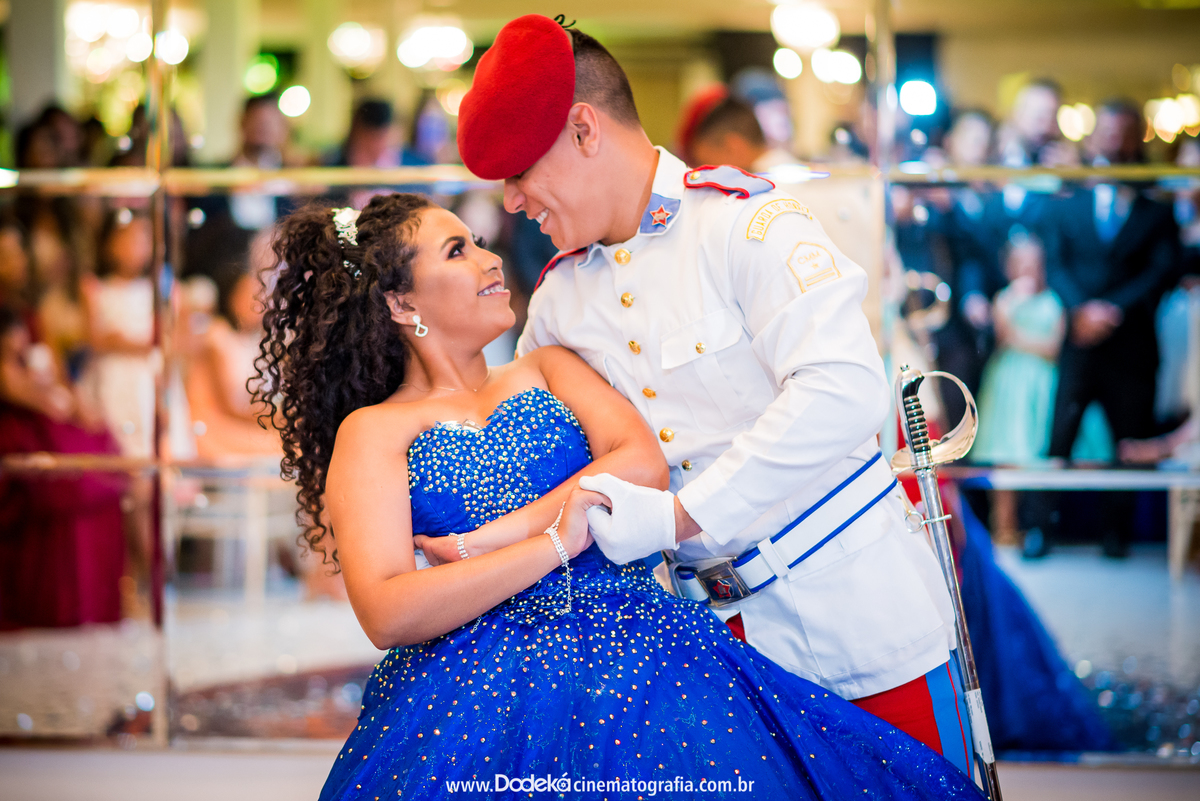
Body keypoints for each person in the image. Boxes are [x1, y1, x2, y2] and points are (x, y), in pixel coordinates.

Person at [254, 193, 983, 800]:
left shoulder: (547, 365)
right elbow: (387, 609)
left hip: (645, 650)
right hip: (472, 691)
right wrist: (557, 540)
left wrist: (492, 540)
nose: (489, 258)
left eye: (477, 242)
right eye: (457, 251)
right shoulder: (372, 433)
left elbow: (641, 463)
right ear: (399, 301)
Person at [456, 14, 974, 775]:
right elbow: (535, 452)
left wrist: (681, 515)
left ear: (584, 130)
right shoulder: (560, 302)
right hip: (709, 661)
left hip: (861, 622)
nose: (509, 201)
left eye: (519, 171)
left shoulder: (747, 225)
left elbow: (844, 389)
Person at [1034, 101, 1181, 558]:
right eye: (1109, 131)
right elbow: (1055, 263)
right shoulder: (1068, 202)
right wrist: (1080, 310)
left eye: (1124, 132)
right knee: (1059, 437)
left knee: (1128, 439)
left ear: (1137, 138)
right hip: (1079, 340)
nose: (1115, 141)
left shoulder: (1156, 209)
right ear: (1095, 135)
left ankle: (1117, 534)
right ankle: (1041, 528)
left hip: (1131, 344)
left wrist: (1112, 310)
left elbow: (1161, 271)